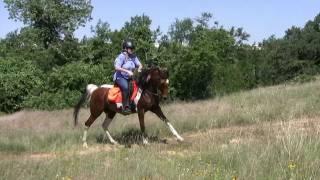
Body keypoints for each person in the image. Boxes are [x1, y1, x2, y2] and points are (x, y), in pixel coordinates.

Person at [113, 40, 143, 114]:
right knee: (126, 87)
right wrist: (127, 71)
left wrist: (139, 69)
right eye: (130, 48)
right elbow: (116, 67)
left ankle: (133, 103)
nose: (132, 50)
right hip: (120, 77)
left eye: (132, 49)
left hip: (129, 77)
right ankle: (125, 107)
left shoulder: (133, 57)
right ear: (125, 49)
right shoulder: (121, 56)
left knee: (137, 86)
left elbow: (140, 65)